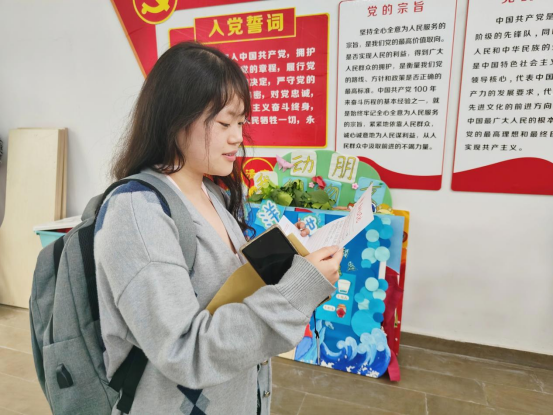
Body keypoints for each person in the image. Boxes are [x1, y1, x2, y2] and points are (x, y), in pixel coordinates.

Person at [94, 41, 343, 415]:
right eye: (225, 123)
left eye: (241, 123)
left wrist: (295, 270)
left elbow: (227, 296)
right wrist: (296, 292)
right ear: (175, 121)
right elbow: (184, 351)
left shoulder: (211, 192)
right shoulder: (138, 212)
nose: (238, 137)